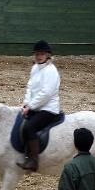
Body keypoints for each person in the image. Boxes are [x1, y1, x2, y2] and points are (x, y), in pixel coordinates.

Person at [17, 39, 61, 171]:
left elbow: (46, 93)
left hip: (48, 108)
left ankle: (33, 161)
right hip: (35, 106)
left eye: (41, 54)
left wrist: (30, 106)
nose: (38, 56)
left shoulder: (51, 71)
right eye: (37, 54)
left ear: (48, 55)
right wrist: (26, 104)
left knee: (29, 127)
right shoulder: (35, 68)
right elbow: (30, 88)